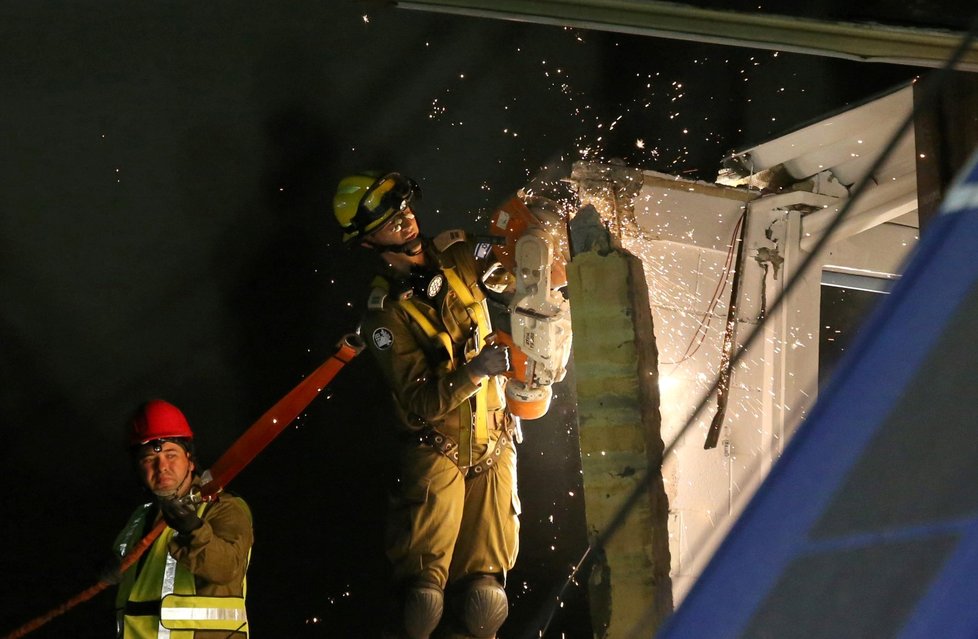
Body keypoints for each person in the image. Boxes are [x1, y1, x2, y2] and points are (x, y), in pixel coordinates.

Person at [333, 172, 520, 639]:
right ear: (366, 241)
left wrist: (532, 243)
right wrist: (475, 371)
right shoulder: (384, 316)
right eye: (390, 219)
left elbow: (512, 259)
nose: (405, 220)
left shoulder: (456, 253)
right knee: (421, 601)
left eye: (404, 209)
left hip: (494, 439)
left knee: (485, 601)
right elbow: (418, 402)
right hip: (436, 449)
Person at [107, 399, 253, 638]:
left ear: (190, 458)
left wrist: (194, 530)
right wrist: (108, 570)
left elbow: (227, 570)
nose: (161, 466)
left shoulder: (223, 507)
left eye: (170, 454)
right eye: (149, 459)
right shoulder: (139, 517)